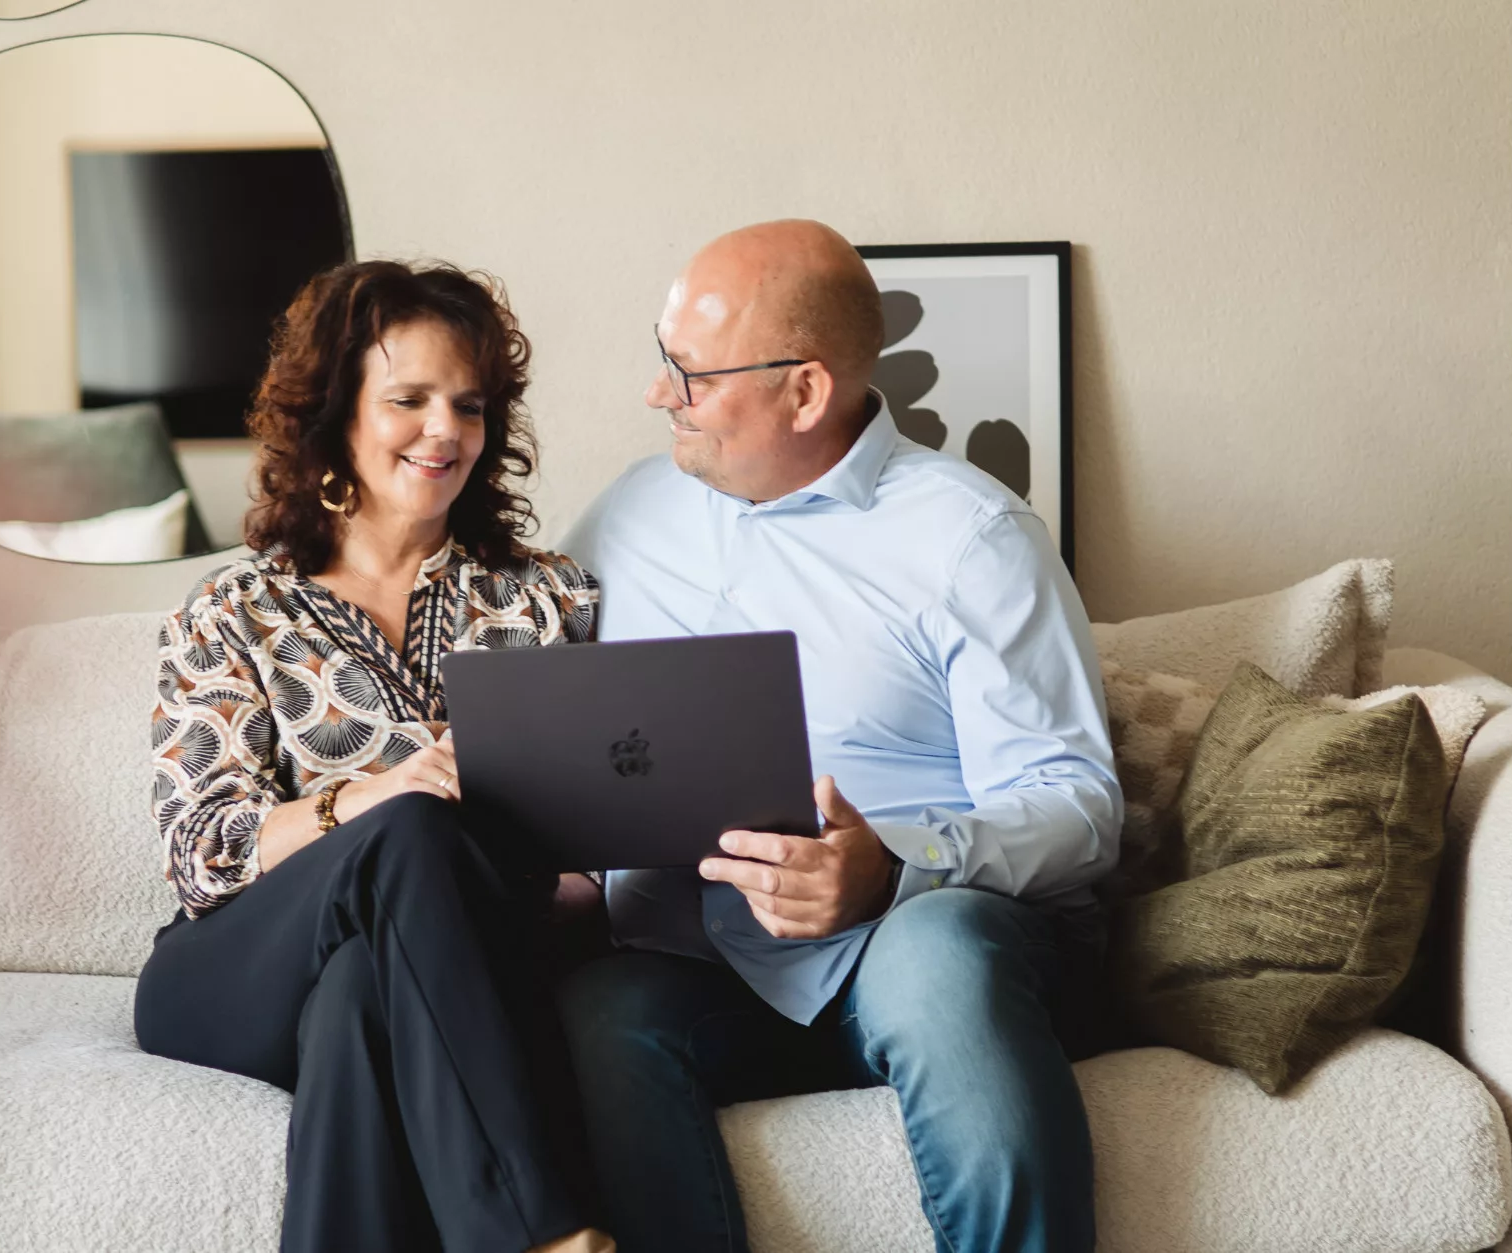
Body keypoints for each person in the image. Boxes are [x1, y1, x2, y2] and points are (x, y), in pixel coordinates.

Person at [556, 220, 1123, 1253]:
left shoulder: (969, 538)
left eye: (687, 372)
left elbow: (1079, 804)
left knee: (934, 954)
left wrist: (893, 869)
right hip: (706, 960)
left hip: (919, 946)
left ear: (803, 391)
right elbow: (560, 715)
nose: (656, 393)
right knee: (598, 1011)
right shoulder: (625, 517)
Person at [134, 260, 614, 1253]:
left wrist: (576, 882)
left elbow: (611, 833)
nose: (445, 429)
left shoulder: (546, 601)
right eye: (408, 398)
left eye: (468, 405)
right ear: (332, 416)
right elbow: (202, 851)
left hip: (461, 962)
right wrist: (363, 801)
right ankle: (535, 1228)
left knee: (361, 990)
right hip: (233, 971)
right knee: (404, 829)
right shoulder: (232, 613)